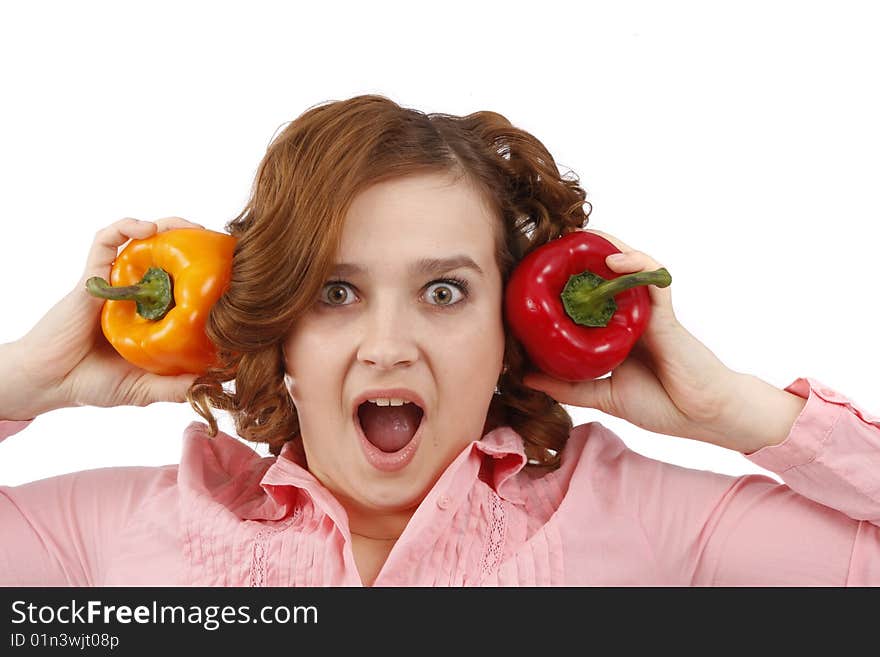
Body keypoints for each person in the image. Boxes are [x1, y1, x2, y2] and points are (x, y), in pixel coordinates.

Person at [1, 94, 878, 587]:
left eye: (444, 291)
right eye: (337, 291)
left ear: (507, 331)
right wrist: (26, 381)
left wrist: (732, 410)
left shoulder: (629, 515)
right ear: (280, 332)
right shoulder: (128, 532)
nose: (388, 344)